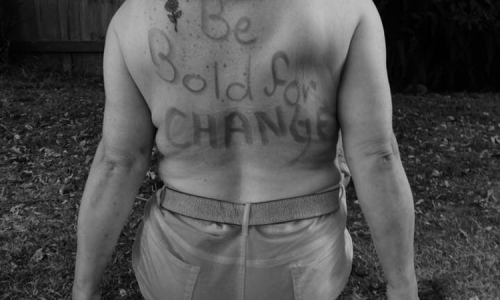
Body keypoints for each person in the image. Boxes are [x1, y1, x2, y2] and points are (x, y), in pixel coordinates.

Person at [72, 0, 419, 299]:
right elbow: (378, 157)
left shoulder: (134, 17)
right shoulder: (345, 8)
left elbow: (118, 162)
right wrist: (403, 288)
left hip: (180, 262)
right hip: (304, 264)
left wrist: (84, 289)